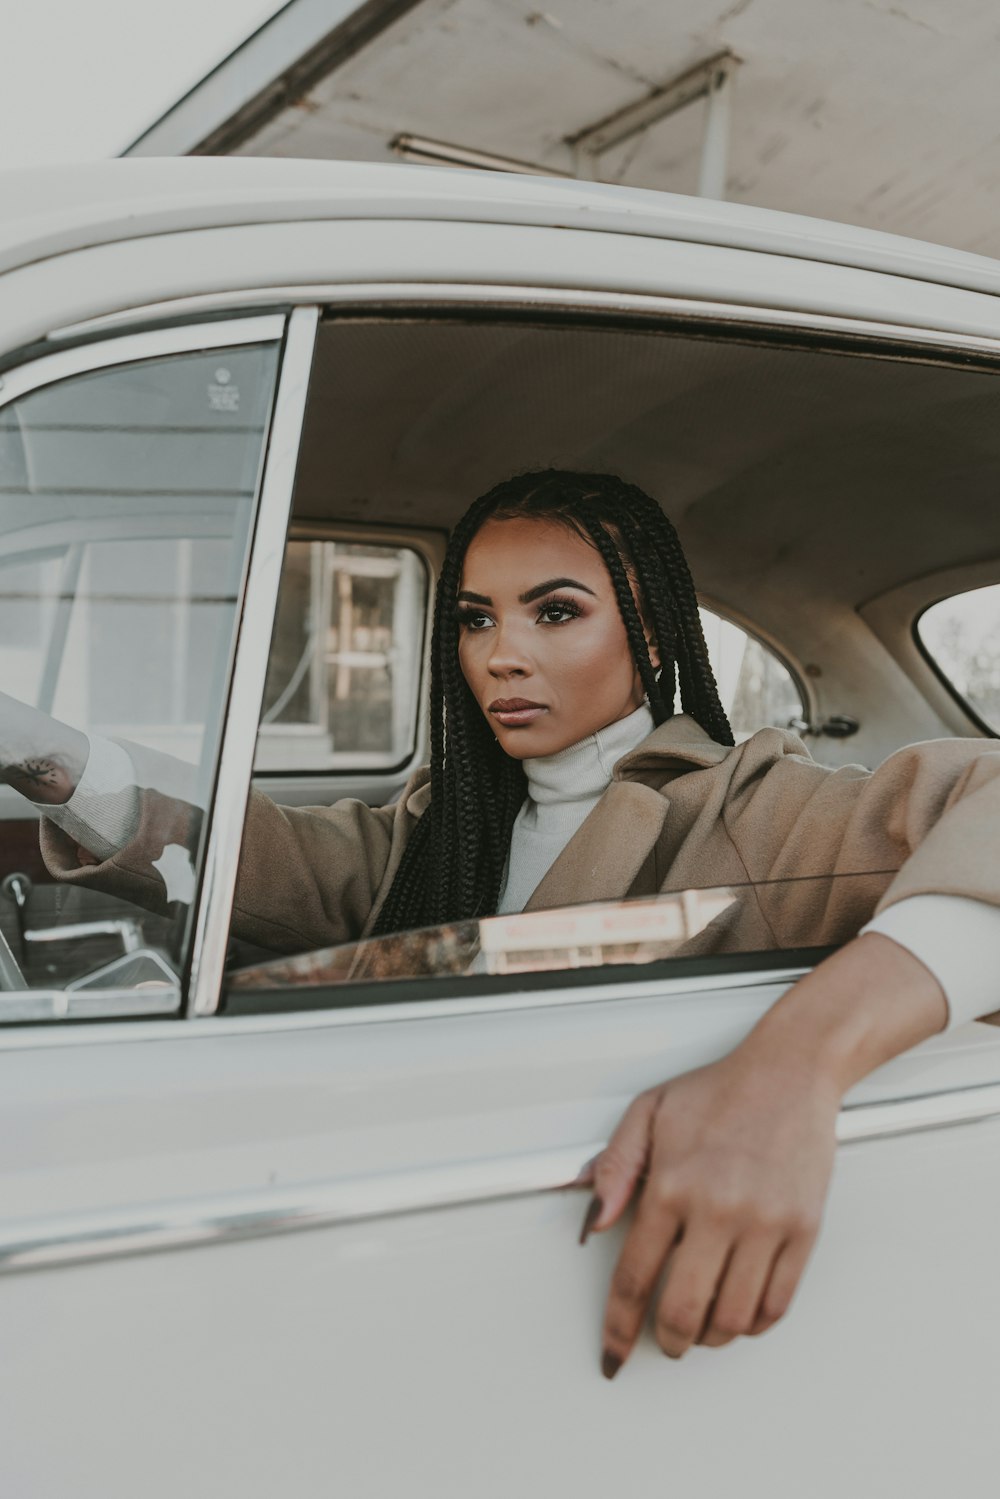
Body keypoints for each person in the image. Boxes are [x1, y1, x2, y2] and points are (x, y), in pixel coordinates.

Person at [3, 469, 1000, 1377]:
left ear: (651, 637)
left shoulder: (763, 809)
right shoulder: (443, 823)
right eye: (476, 619)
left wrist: (797, 1062)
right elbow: (268, 858)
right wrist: (46, 753)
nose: (500, 654)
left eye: (554, 612)